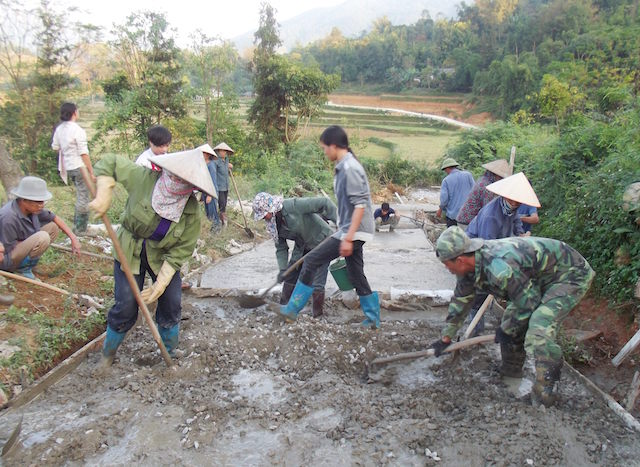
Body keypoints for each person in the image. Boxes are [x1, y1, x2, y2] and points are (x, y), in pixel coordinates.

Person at [430, 226, 595, 407]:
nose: (447, 269)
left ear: (460, 260)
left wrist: (507, 330)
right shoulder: (468, 269)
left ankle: (546, 392)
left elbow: (529, 302)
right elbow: (461, 301)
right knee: (510, 323)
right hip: (537, 279)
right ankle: (511, 373)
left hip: (569, 275)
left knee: (539, 327)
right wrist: (446, 338)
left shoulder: (500, 268)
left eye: (447, 264)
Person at [89, 149, 216, 366]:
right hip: (130, 250)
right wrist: (104, 190)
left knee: (171, 302)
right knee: (127, 304)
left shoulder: (190, 209)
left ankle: (169, 349)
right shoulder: (144, 180)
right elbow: (111, 160)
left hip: (162, 256)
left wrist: (162, 282)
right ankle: (108, 353)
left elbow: (182, 249)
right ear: (169, 171)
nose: (178, 183)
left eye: (185, 182)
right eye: (176, 176)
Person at [279, 126, 379, 328]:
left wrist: (348, 238)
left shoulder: (350, 168)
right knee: (356, 274)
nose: (324, 152)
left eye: (325, 148)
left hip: (354, 231)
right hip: (353, 229)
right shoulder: (344, 166)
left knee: (312, 260)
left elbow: (360, 206)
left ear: (334, 146)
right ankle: (373, 319)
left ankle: (291, 310)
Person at [465, 172, 540, 335]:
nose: (515, 204)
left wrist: (521, 236)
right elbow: (488, 248)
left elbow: (517, 223)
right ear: (504, 196)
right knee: (480, 290)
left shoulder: (512, 209)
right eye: (512, 200)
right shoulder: (491, 216)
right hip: (478, 249)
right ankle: (473, 329)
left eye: (518, 201)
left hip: (496, 246)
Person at [252, 192, 338, 318]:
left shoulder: (293, 206)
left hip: (322, 241)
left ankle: (317, 315)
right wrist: (282, 269)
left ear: (270, 207)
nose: (264, 218)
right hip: (302, 246)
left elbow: (324, 203)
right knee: (290, 274)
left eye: (264, 214)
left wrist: (342, 223)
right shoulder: (273, 224)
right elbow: (281, 247)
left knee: (317, 281)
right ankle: (285, 308)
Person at [0, 176, 80, 279]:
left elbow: (54, 217)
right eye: (38, 202)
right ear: (24, 200)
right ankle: (21, 269)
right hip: (6, 260)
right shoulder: (8, 217)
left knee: (53, 227)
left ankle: (27, 265)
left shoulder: (31, 209)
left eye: (42, 202)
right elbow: (6, 249)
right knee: (42, 237)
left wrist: (73, 238)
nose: (41, 205)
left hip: (20, 247)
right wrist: (31, 242)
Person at [51, 102, 95, 235]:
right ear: (74, 112)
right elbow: (83, 153)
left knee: (81, 195)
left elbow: (55, 147)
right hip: (79, 166)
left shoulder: (60, 129)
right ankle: (80, 229)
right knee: (83, 197)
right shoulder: (77, 130)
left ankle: (79, 226)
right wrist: (91, 171)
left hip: (69, 167)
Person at [456, 159, 511, 228]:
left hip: (466, 219)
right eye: (500, 177)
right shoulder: (487, 187)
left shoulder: (484, 179)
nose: (501, 180)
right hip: (468, 222)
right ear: (495, 175)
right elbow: (488, 210)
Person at [437, 158, 475, 227]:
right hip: (468, 215)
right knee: (467, 236)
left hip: (453, 216)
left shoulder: (446, 180)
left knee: (452, 236)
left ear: (447, 168)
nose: (446, 172)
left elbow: (444, 200)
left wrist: (440, 210)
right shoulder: (468, 175)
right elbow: (474, 192)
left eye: (445, 170)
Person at [197, 143, 221, 231]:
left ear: (207, 154)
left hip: (211, 192)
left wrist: (210, 195)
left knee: (212, 211)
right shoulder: (203, 164)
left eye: (203, 153)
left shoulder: (211, 165)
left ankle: (216, 229)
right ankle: (212, 229)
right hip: (205, 191)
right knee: (208, 212)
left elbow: (213, 181)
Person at [213, 142, 234, 226]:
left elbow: (227, 169)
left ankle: (222, 220)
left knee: (224, 204)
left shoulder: (226, 160)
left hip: (226, 186)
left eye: (225, 151)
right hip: (219, 187)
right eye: (221, 151)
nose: (223, 153)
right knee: (221, 204)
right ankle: (221, 222)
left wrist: (230, 166)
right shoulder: (216, 162)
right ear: (218, 152)